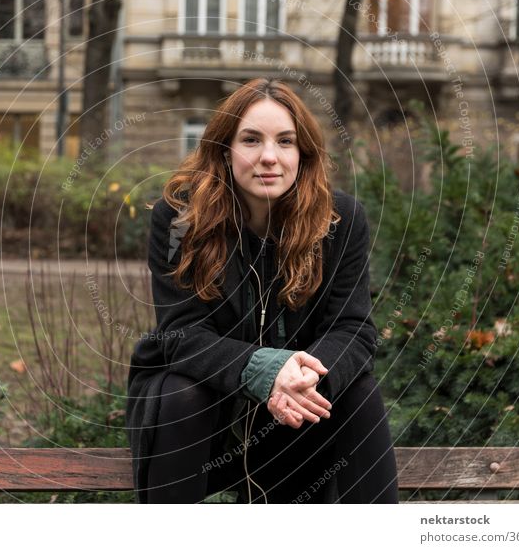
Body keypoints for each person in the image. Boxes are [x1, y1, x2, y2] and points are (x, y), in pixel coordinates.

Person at [125, 77, 398, 504]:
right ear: (224, 149)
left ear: (302, 154)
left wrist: (301, 380)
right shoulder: (180, 219)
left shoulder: (340, 220)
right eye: (251, 139)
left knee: (359, 392)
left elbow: (353, 328)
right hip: (204, 421)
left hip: (297, 421)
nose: (269, 157)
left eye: (285, 142)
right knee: (181, 392)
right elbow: (182, 334)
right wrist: (266, 370)